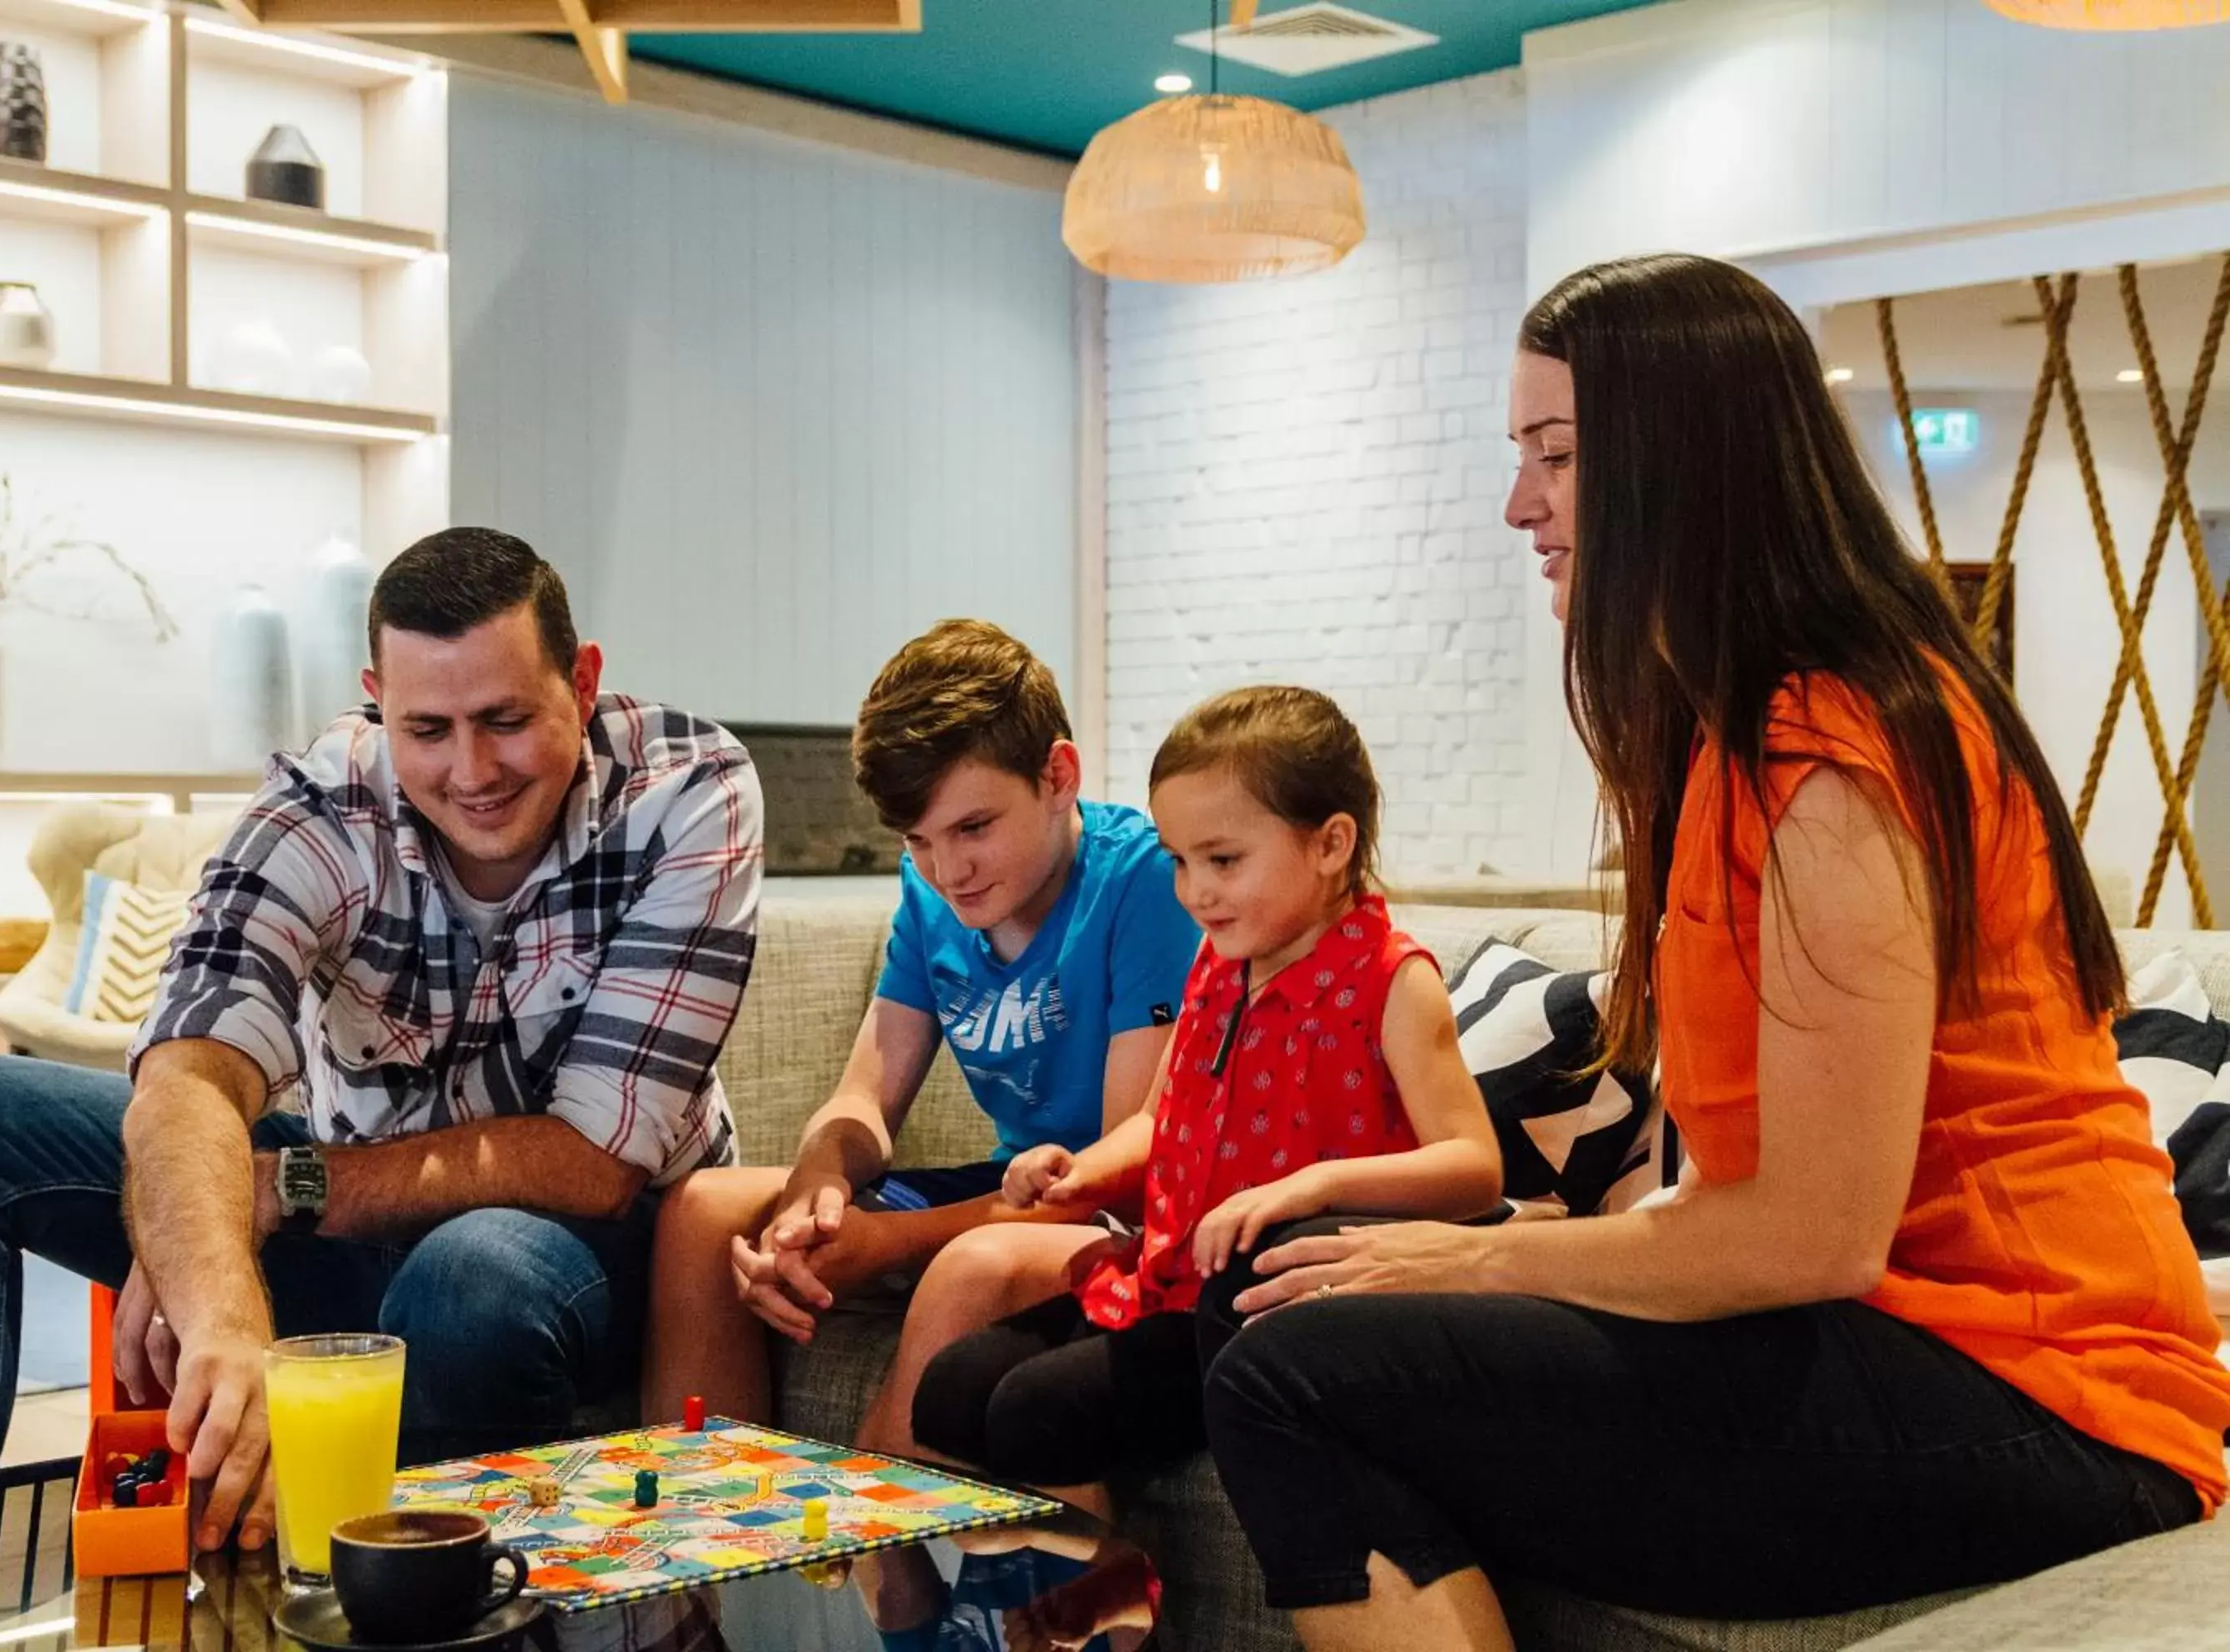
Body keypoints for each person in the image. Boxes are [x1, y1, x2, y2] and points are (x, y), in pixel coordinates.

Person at [1201, 254, 2230, 1650]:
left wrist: (1477, 1260)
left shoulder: (1841, 754)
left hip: (2048, 1401)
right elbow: (1743, 1205)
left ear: (1684, 460)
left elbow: (1814, 1235)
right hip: (1897, 1346)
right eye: (1522, 457)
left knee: (1296, 1372)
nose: (1521, 505)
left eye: (1555, 457)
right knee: (1279, 1303)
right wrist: (1483, 1260)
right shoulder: (1726, 742)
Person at [0, 528, 763, 1562]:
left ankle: (421, 1588)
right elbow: (191, 1064)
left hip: (575, 1245)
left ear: (582, 681)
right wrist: (221, 1299)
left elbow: (594, 1160)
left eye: (506, 720)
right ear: (378, 700)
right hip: (348, 1210)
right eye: (428, 728)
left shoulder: (689, 790)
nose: (471, 771)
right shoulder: (321, 804)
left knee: (466, 1277)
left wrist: (281, 1188)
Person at [908, 686, 1501, 1508]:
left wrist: (1312, 1186)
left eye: (1223, 861)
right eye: (1179, 860)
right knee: (948, 1391)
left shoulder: (1393, 981)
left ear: (1331, 843)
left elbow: (1475, 1166)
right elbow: (1160, 1119)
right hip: (1161, 1279)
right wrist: (1078, 1173)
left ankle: (1109, 1606)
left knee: (1033, 1414)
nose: (1194, 891)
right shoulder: (1219, 965)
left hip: (1258, 1311)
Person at [640, 620, 1201, 1464]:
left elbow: (1118, 1177)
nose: (949, 871)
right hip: (1013, 1191)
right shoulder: (933, 891)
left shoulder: (1144, 880)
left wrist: (887, 1243)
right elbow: (866, 1093)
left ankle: (883, 1554)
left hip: (1119, 1211)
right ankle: (701, 1549)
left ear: (1059, 774)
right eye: (918, 839)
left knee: (965, 1259)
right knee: (703, 1213)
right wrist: (815, 1192)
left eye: (974, 826)